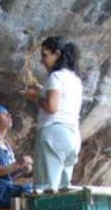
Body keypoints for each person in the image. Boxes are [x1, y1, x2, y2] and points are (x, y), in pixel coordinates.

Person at [24, 36, 83, 191]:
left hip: (54, 134)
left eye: (45, 55)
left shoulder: (55, 76)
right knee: (63, 188)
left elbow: (52, 107)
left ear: (57, 54)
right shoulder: (75, 79)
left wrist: (36, 97)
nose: (42, 61)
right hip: (73, 136)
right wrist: (42, 91)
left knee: (45, 188)